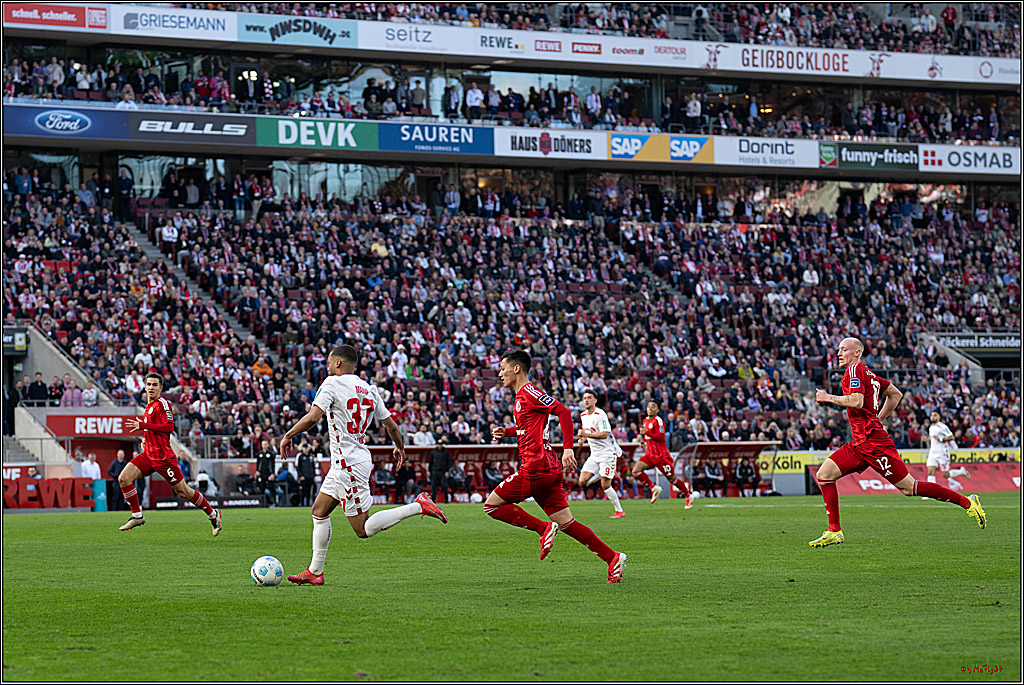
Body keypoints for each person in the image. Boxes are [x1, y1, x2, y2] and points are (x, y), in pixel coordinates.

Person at [279, 345, 447, 586]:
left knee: (363, 530)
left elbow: (314, 417)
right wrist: (399, 446)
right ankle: (315, 571)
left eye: (329, 362)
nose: (327, 367)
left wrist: (288, 434)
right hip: (347, 461)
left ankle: (418, 506)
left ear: (338, 363)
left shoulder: (332, 383)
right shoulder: (368, 389)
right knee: (319, 511)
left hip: (348, 463)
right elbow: (391, 426)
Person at [809, 338, 986, 547]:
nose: (839, 353)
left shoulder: (855, 371)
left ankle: (967, 502)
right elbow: (895, 394)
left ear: (857, 353)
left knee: (910, 488)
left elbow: (856, 401)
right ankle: (834, 531)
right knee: (824, 474)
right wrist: (878, 419)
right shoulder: (869, 374)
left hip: (874, 444)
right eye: (838, 350)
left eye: (844, 350)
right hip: (859, 443)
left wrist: (828, 397)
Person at [486, 350, 625, 583]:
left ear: (516, 368)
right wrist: (508, 432)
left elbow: (563, 411)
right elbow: (532, 430)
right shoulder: (522, 397)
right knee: (568, 523)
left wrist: (569, 448)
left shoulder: (529, 392)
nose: (500, 373)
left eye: (503, 368)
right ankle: (612, 558)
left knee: (492, 506)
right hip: (547, 467)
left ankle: (543, 529)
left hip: (536, 466)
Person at [119, 373, 222, 535]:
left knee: (183, 492)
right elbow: (152, 428)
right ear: (145, 387)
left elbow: (168, 427)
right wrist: (145, 438)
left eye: (155, 385)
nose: (151, 387)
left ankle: (213, 514)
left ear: (160, 388)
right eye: (149, 384)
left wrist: (143, 425)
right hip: (148, 455)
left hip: (163, 457)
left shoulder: (163, 404)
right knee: (124, 478)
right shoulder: (148, 406)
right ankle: (137, 515)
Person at [634, 401, 693, 508]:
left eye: (653, 407)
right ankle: (653, 488)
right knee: (636, 471)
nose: (650, 409)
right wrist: (643, 440)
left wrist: (646, 433)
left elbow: (660, 437)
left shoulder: (659, 421)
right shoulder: (645, 420)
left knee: (672, 479)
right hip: (650, 454)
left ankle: (688, 495)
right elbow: (646, 433)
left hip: (661, 456)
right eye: (648, 407)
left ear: (657, 410)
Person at [576, 389, 624, 519]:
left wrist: (586, 434)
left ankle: (619, 510)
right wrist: (583, 439)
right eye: (584, 398)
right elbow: (588, 431)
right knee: (582, 481)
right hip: (594, 454)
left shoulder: (600, 414)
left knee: (605, 485)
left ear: (595, 400)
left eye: (589, 397)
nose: (586, 400)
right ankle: (609, 473)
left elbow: (604, 434)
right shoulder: (583, 415)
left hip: (607, 453)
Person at [927, 411, 970, 492]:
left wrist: (941, 439)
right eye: (931, 415)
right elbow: (934, 439)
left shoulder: (942, 427)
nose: (933, 417)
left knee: (945, 475)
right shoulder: (931, 427)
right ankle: (931, 492)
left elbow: (951, 437)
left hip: (942, 452)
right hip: (932, 452)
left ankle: (961, 471)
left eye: (935, 415)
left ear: (939, 417)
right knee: (930, 471)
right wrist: (927, 440)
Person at [296, 442, 317, 507]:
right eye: (304, 448)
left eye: (306, 448)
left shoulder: (311, 456)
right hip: (304, 476)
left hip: (310, 476)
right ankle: (302, 504)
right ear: (302, 448)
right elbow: (298, 466)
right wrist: (300, 475)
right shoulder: (300, 456)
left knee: (309, 491)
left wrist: (314, 475)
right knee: (303, 491)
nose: (305, 449)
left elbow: (313, 466)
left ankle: (307, 504)